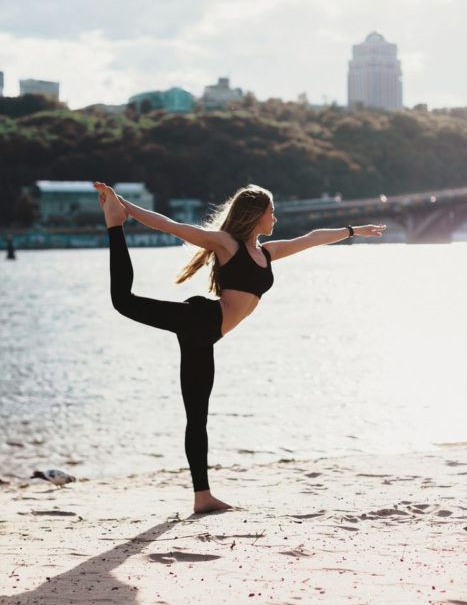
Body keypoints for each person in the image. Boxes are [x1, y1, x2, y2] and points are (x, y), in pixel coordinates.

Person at [93, 181, 385, 513]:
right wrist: (125, 207)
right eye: (271, 211)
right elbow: (169, 225)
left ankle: (202, 496)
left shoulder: (267, 253)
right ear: (256, 214)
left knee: (197, 417)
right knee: (123, 301)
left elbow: (311, 238)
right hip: (199, 319)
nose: (274, 217)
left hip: (206, 336)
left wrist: (353, 230)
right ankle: (114, 224)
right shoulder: (226, 244)